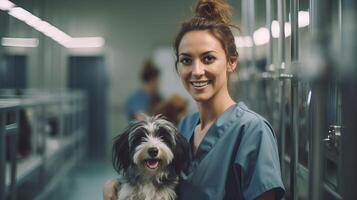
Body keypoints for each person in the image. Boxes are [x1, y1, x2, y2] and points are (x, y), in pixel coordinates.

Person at [104, 0, 285, 199]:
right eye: (186, 60)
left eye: (208, 58)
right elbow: (152, 180)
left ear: (231, 62)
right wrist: (115, 184)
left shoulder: (252, 131)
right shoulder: (184, 126)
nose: (196, 71)